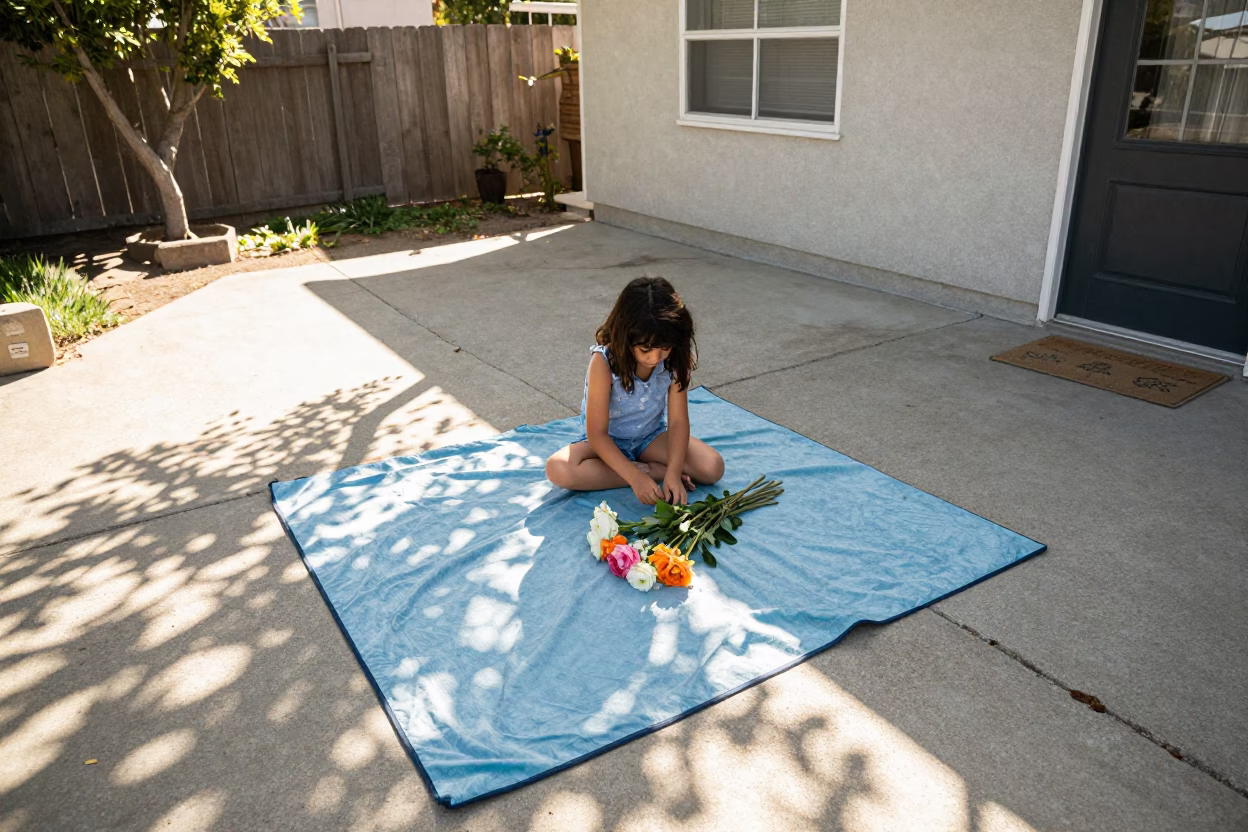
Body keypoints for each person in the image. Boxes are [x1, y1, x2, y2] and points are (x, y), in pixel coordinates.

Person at [545, 276, 725, 506]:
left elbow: (679, 422)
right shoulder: (603, 363)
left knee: (712, 467)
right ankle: (652, 471)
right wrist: (635, 477)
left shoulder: (675, 361)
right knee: (558, 469)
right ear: (625, 336)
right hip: (606, 443)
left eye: (665, 348)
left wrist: (673, 473)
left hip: (650, 438)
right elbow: (597, 434)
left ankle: (656, 469)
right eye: (645, 349)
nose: (655, 357)